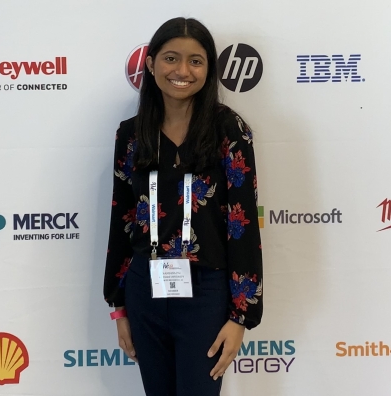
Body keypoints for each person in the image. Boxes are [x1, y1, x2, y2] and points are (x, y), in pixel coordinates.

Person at [104, 17, 263, 396]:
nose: (182, 71)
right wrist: (120, 306)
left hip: (206, 291)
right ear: (151, 63)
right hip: (145, 287)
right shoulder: (131, 133)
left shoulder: (229, 131)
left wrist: (240, 315)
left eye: (196, 61)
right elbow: (122, 219)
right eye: (171, 58)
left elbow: (243, 227)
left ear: (209, 69)